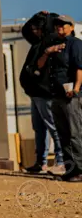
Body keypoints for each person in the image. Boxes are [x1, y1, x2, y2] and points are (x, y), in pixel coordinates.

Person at [36, 14, 82, 182]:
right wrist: (48, 52)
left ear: (71, 27)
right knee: (62, 135)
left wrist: (76, 89)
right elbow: (39, 65)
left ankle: (80, 169)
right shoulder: (53, 45)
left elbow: (79, 68)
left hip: (71, 97)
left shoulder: (76, 44)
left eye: (63, 24)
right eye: (57, 24)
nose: (59, 27)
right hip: (55, 95)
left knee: (75, 134)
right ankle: (70, 170)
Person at [19, 12, 64, 174]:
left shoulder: (52, 41)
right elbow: (25, 31)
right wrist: (35, 15)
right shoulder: (37, 42)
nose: (33, 31)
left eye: (36, 28)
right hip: (35, 93)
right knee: (39, 128)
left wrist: (49, 17)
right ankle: (41, 162)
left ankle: (61, 161)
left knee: (54, 128)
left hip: (45, 92)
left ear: (43, 28)